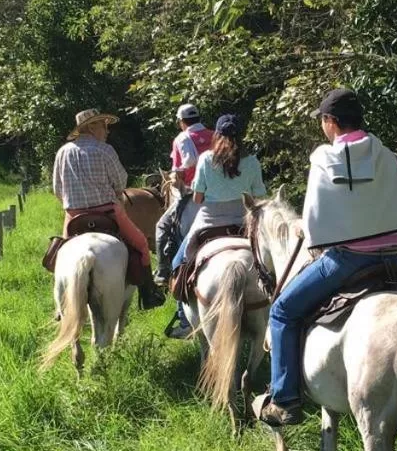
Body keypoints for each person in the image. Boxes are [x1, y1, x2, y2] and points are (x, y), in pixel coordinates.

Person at [255, 88, 397, 426]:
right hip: (393, 262)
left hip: (345, 262)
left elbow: (315, 226)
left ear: (330, 122)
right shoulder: (393, 160)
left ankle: (285, 400)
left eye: (323, 120)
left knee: (282, 312)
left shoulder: (324, 159)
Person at [52, 107, 165, 309]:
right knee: (141, 244)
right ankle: (149, 294)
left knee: (59, 254)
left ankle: (61, 305)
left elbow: (57, 189)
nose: (107, 130)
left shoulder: (63, 152)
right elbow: (121, 182)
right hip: (108, 213)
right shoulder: (105, 150)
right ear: (91, 127)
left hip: (74, 216)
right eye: (103, 125)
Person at [170, 113, 266, 288]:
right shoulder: (252, 162)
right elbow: (259, 198)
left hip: (209, 222)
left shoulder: (206, 159)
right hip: (244, 222)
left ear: (217, 134)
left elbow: (197, 199)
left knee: (179, 262)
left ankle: (182, 309)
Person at [154, 103, 214, 285]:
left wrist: (176, 174)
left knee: (162, 227)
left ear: (182, 122)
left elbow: (187, 163)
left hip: (191, 192)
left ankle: (163, 271)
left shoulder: (182, 138)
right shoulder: (215, 135)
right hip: (218, 192)